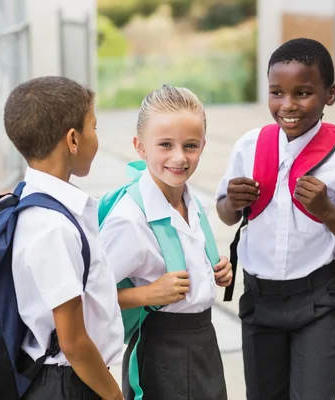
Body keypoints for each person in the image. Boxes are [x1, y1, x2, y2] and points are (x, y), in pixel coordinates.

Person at [215, 38, 335, 400]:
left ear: (329, 95)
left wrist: (327, 212)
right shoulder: (249, 146)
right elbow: (226, 214)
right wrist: (232, 202)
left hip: (317, 303)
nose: (287, 105)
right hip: (259, 302)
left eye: (303, 93)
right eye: (277, 93)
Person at [99, 84, 233, 400]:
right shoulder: (130, 218)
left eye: (190, 146)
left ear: (203, 144)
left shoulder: (191, 201)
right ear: (140, 146)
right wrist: (148, 293)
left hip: (204, 343)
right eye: (165, 145)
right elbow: (86, 293)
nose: (179, 157)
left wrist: (214, 270)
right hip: (160, 353)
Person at [6, 76, 124, 400]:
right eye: (94, 127)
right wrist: (114, 395)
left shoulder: (33, 200)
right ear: (73, 139)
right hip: (69, 384)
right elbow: (72, 342)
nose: (96, 137)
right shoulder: (52, 228)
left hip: (66, 378)